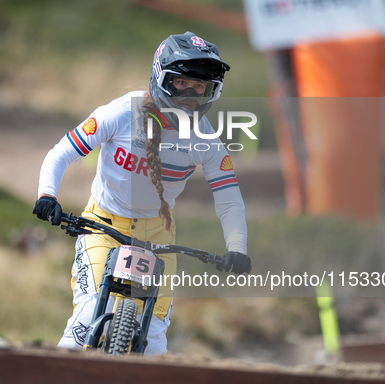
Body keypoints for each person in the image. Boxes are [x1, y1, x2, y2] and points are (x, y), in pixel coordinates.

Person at [33, 32, 251, 356]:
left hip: (158, 236)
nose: (190, 94)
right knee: (86, 319)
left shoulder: (206, 138)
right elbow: (61, 153)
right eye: (182, 83)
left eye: (200, 87)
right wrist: (47, 195)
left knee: (154, 342)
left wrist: (237, 248)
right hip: (102, 227)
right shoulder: (121, 113)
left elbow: (229, 197)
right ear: (161, 78)